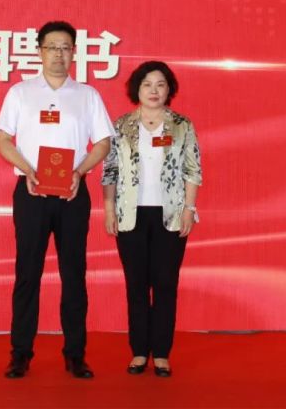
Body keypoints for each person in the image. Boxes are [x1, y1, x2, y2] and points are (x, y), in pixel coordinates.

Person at [0, 20, 114, 379]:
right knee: (27, 273)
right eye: (51, 47)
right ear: (39, 51)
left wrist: (79, 172)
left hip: (73, 193)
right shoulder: (21, 92)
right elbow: (1, 138)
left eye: (65, 48)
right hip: (31, 192)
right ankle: (20, 353)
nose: (58, 54)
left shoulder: (87, 95)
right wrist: (27, 169)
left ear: (74, 52)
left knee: (74, 274)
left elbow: (103, 142)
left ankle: (75, 354)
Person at [101, 60, 202, 377]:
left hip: (170, 215)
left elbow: (193, 170)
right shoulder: (121, 126)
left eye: (160, 84)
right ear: (137, 89)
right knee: (136, 285)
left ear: (169, 89)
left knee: (165, 284)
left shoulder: (182, 125)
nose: (154, 90)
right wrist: (108, 209)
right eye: (147, 84)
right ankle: (138, 351)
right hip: (130, 215)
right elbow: (110, 171)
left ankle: (161, 353)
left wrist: (189, 209)